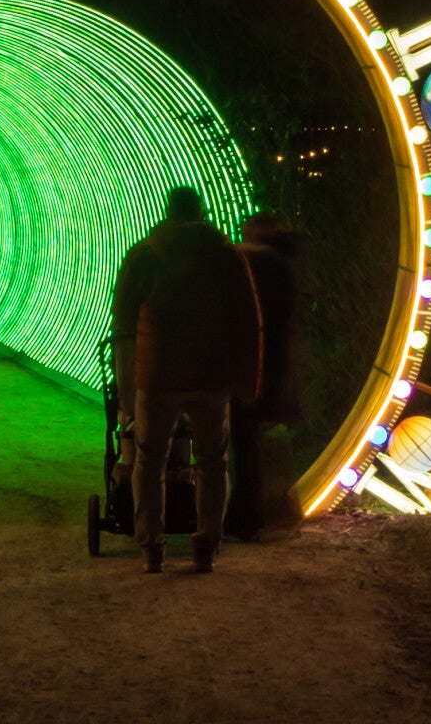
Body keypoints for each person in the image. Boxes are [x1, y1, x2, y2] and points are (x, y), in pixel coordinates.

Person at [109, 186, 262, 574]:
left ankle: (152, 549)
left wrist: (128, 375)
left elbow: (122, 315)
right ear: (202, 212)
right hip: (211, 375)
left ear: (168, 212)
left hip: (157, 374)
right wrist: (249, 380)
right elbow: (248, 321)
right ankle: (206, 548)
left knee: (149, 461)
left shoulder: (145, 253)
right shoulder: (227, 256)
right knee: (212, 462)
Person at [226, 211, 303, 540]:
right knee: (253, 441)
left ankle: (248, 518)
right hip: (272, 368)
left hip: (253, 367)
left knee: (244, 441)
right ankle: (262, 515)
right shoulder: (285, 263)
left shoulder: (257, 264)